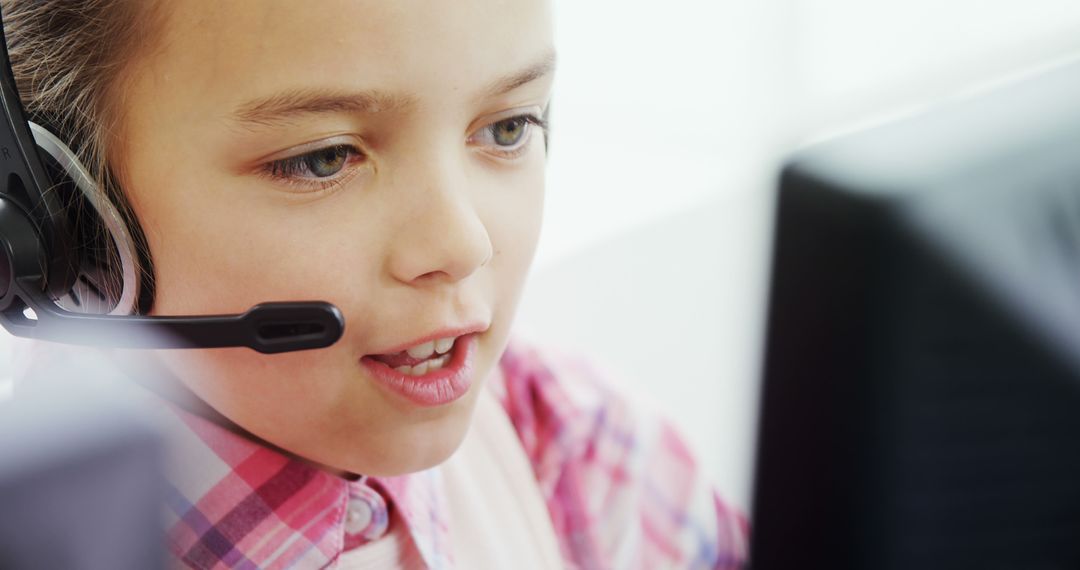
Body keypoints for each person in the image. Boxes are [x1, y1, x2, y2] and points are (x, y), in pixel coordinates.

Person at [5, 0, 747, 567]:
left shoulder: (580, 453)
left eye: (509, 126)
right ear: (63, 217)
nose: (462, 245)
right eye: (325, 158)